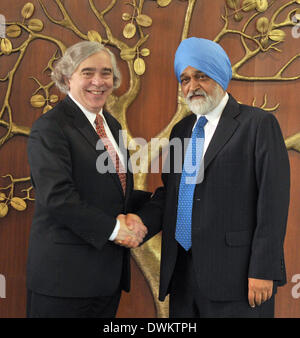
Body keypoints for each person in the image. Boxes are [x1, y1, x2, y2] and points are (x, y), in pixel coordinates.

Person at [121, 37, 290, 318]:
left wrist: (264, 269)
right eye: (185, 79)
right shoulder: (181, 130)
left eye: (201, 76)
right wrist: (141, 222)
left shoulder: (258, 125)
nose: (191, 86)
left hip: (239, 279)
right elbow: (172, 194)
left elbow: (273, 202)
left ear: (220, 76)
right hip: (183, 276)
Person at [26, 41, 148, 318]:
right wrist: (117, 231)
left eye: (106, 73)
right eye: (87, 72)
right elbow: (58, 198)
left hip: (105, 280)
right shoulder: (50, 127)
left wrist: (149, 210)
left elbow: (111, 192)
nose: (98, 81)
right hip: (64, 282)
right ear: (68, 77)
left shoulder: (111, 126)